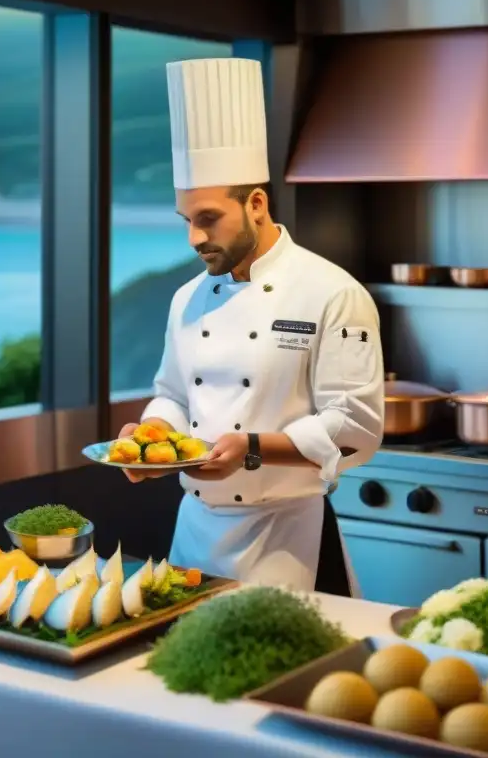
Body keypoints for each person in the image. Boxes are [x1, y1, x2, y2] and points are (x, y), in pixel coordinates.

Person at [117, 57, 385, 595]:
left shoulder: (332, 292)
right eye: (186, 221)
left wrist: (253, 447)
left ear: (257, 204)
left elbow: (356, 427)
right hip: (193, 536)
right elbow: (172, 393)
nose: (194, 238)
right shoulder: (186, 299)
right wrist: (151, 433)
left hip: (287, 537)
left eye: (208, 218)